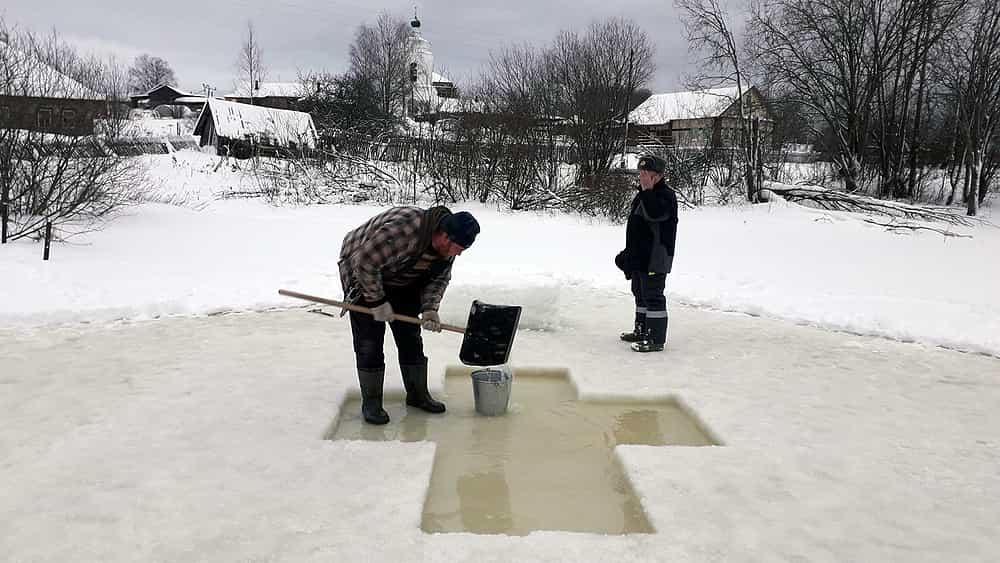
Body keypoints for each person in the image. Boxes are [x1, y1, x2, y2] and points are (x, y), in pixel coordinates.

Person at [339, 206, 480, 424]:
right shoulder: (403, 231)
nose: (459, 253)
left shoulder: (446, 249)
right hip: (362, 268)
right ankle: (372, 403)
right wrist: (377, 301)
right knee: (369, 342)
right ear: (444, 236)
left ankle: (417, 395)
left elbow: (439, 278)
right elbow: (364, 263)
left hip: (402, 275)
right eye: (458, 248)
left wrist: (430, 308)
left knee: (410, 337)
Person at [615, 154, 678, 353]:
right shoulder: (643, 194)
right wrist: (628, 254)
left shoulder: (665, 195)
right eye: (640, 172)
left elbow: (656, 214)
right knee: (640, 294)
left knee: (653, 296)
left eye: (646, 173)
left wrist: (648, 192)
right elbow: (637, 228)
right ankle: (641, 330)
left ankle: (655, 338)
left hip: (656, 257)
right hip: (640, 256)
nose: (641, 176)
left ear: (657, 176)